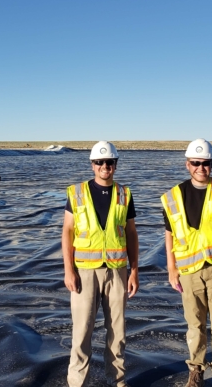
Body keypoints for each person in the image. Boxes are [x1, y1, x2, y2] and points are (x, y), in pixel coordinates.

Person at [160, 138, 212, 387]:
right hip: (188, 272)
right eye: (195, 163)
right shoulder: (173, 196)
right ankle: (195, 371)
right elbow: (169, 235)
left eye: (205, 163)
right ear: (187, 164)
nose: (201, 168)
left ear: (211, 163)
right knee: (194, 325)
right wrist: (171, 268)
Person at [62, 141, 140, 387]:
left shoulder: (124, 194)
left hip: (117, 271)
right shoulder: (76, 193)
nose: (105, 166)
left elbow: (131, 234)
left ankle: (117, 381)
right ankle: (77, 383)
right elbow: (68, 231)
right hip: (84, 272)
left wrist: (134, 270)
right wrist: (68, 271)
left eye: (109, 162)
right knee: (82, 332)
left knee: (117, 333)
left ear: (115, 164)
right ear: (92, 165)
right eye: (100, 162)